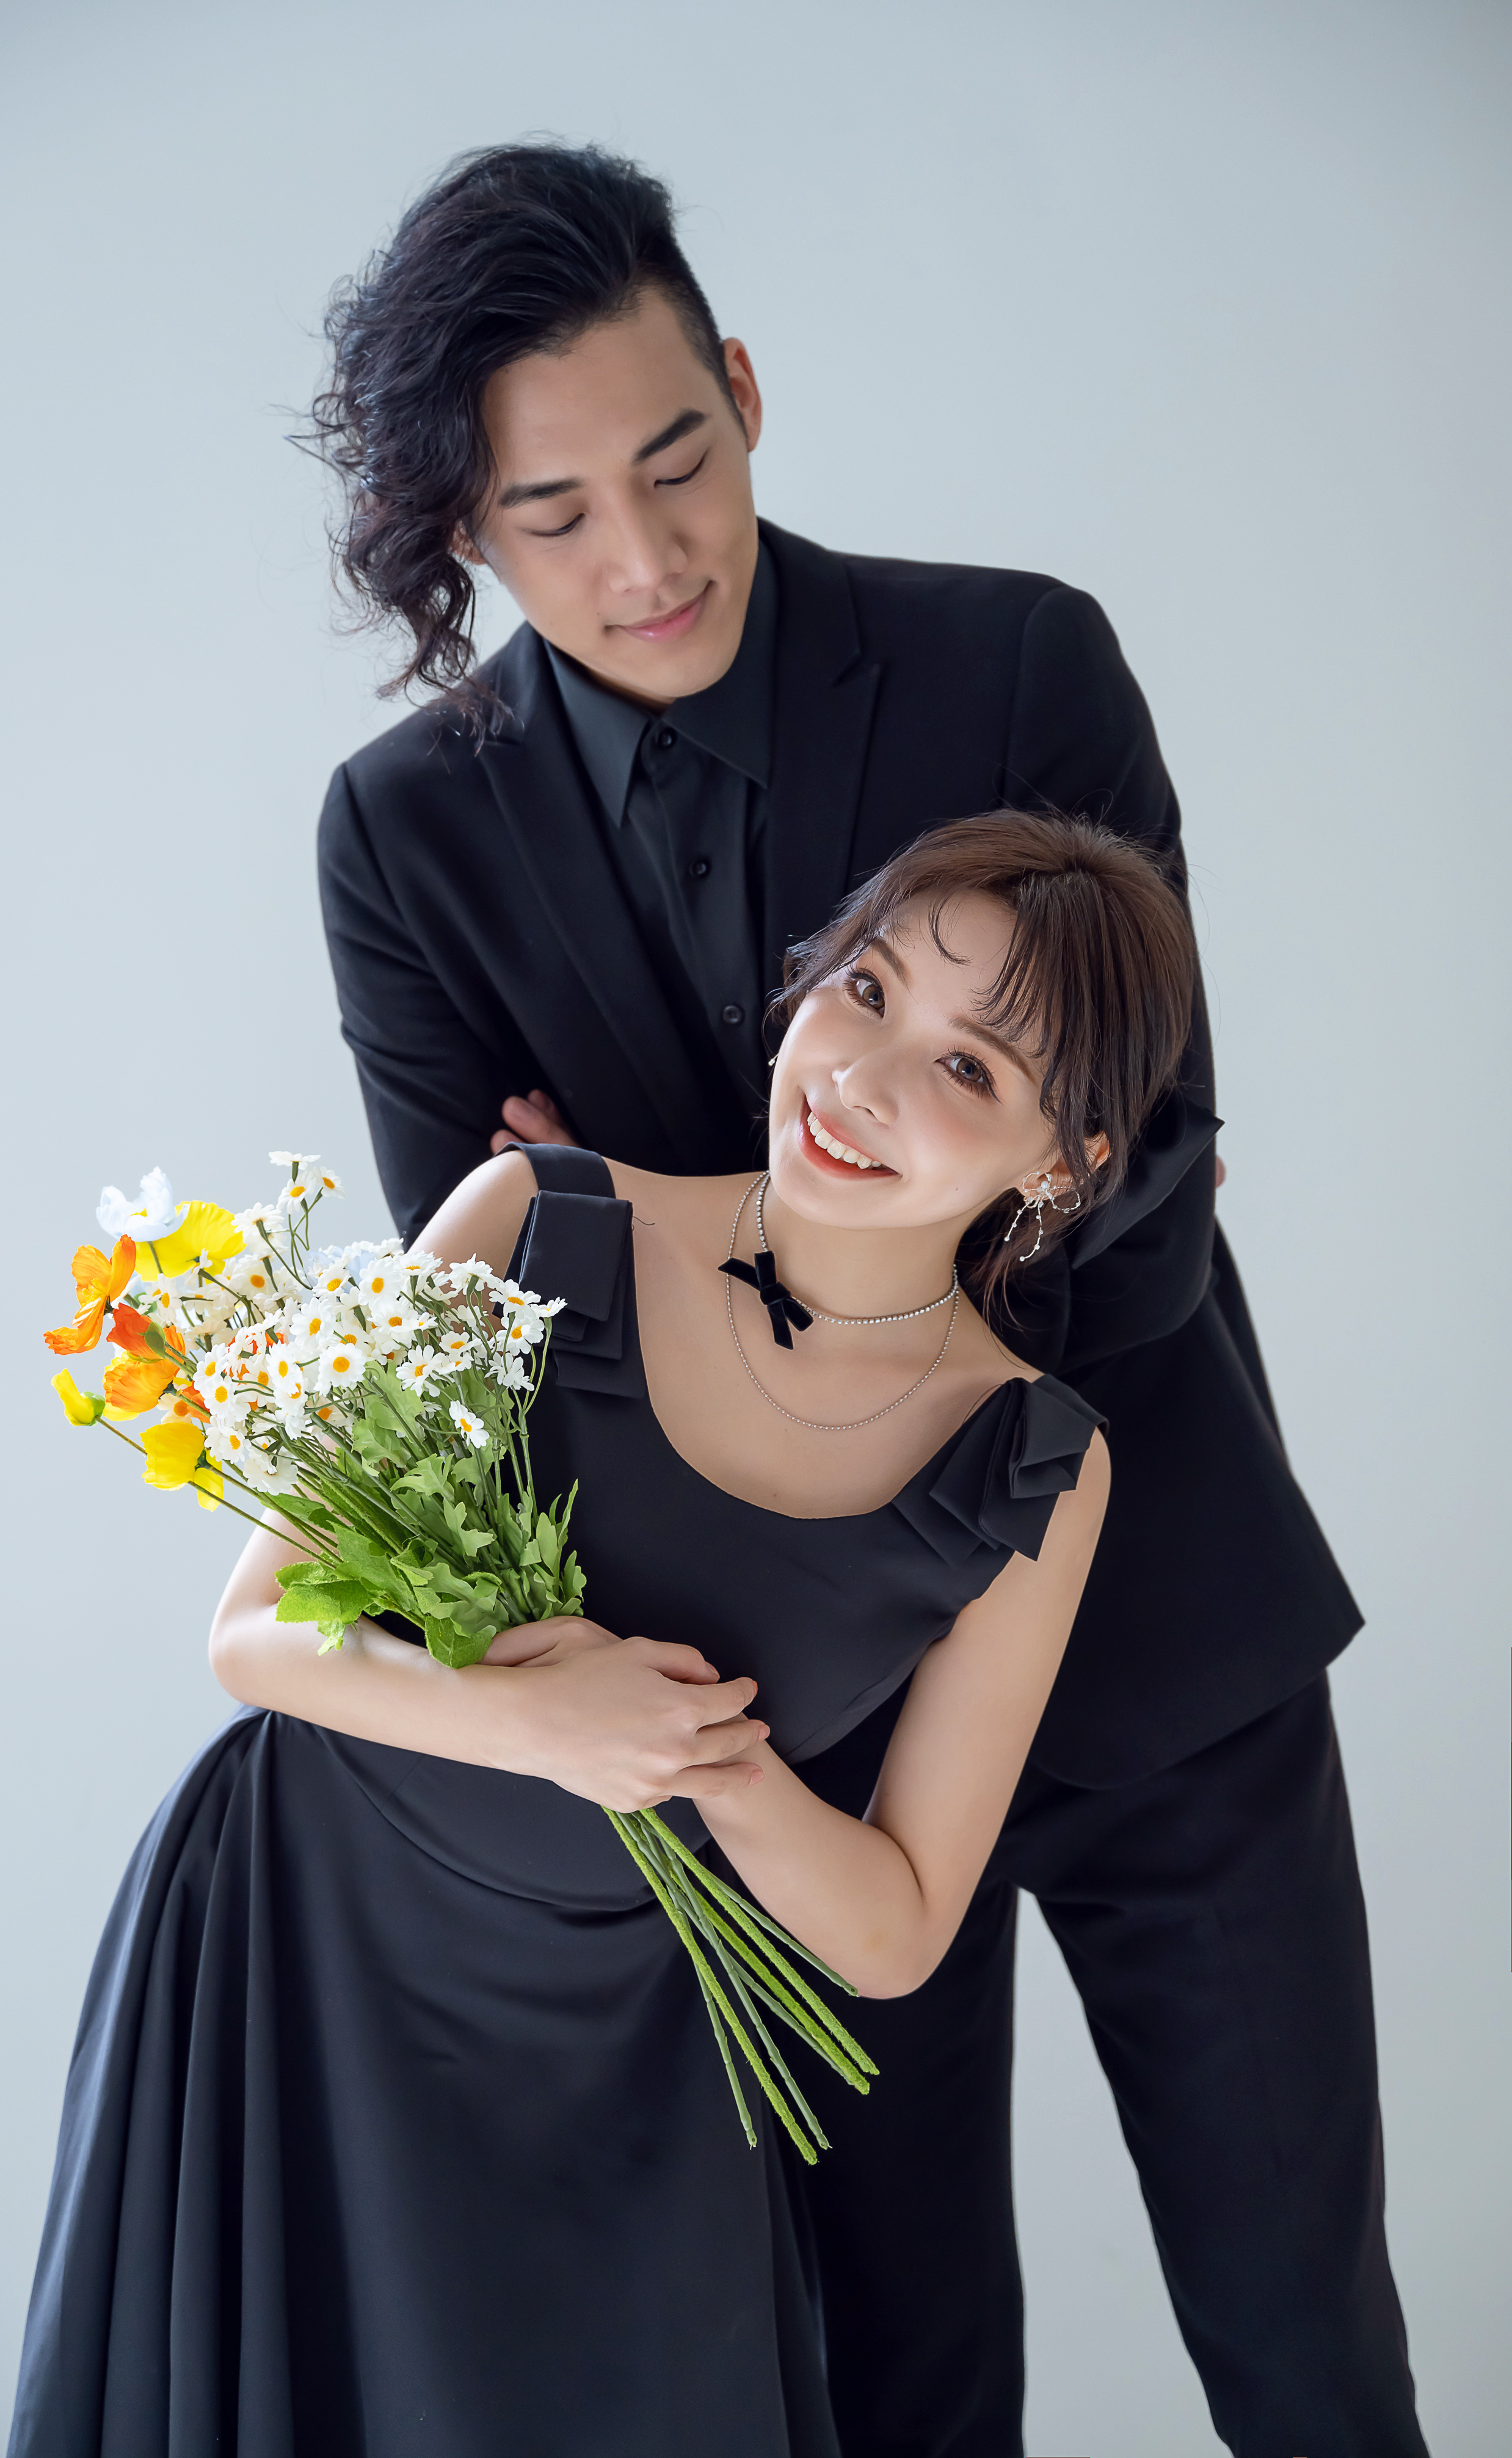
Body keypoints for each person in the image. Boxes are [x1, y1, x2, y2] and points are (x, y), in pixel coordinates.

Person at [310, 144, 1427, 2458]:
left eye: (675, 461)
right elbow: (508, 1328)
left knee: (1301, 2345)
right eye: (548, 516)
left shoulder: (1016, 663)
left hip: (1154, 1647)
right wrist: (847, 1217)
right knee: (892, 2389)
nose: (641, 560)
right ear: (462, 532)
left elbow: (1147, 1186)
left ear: (741, 388)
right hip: (778, 1742)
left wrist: (708, 1242)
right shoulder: (402, 834)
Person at [10, 815, 1196, 2456]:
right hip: (299, 1949)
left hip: (625, 2059)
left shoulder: (1031, 1466)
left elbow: (899, 1927)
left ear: (1060, 1165)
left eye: (968, 1070)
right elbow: (257, 1633)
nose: (859, 1079)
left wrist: (711, 1767)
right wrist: (541, 1720)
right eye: (863, 990)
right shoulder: (532, 1218)